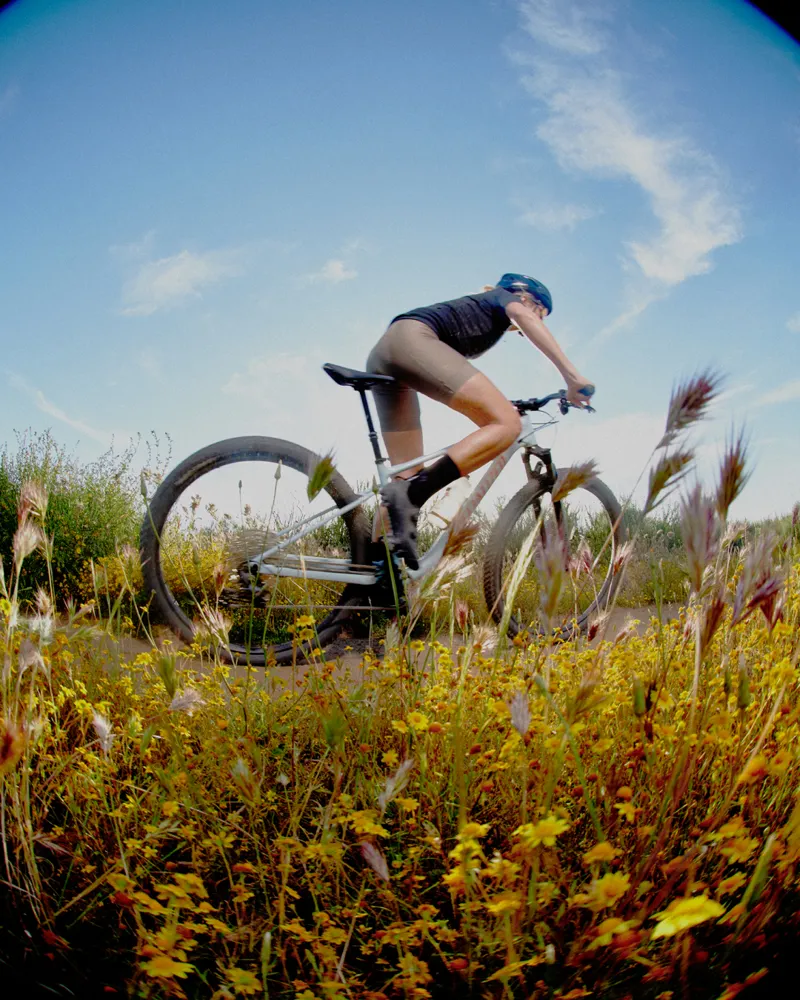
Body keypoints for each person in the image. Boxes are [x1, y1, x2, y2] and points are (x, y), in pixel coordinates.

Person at [365, 273, 594, 570]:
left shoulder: (482, 312)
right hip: (412, 339)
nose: (539, 321)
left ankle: (374, 573)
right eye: (541, 312)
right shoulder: (504, 299)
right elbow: (525, 318)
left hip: (387, 350)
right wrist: (573, 378)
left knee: (405, 474)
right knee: (508, 426)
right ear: (525, 298)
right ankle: (412, 497)